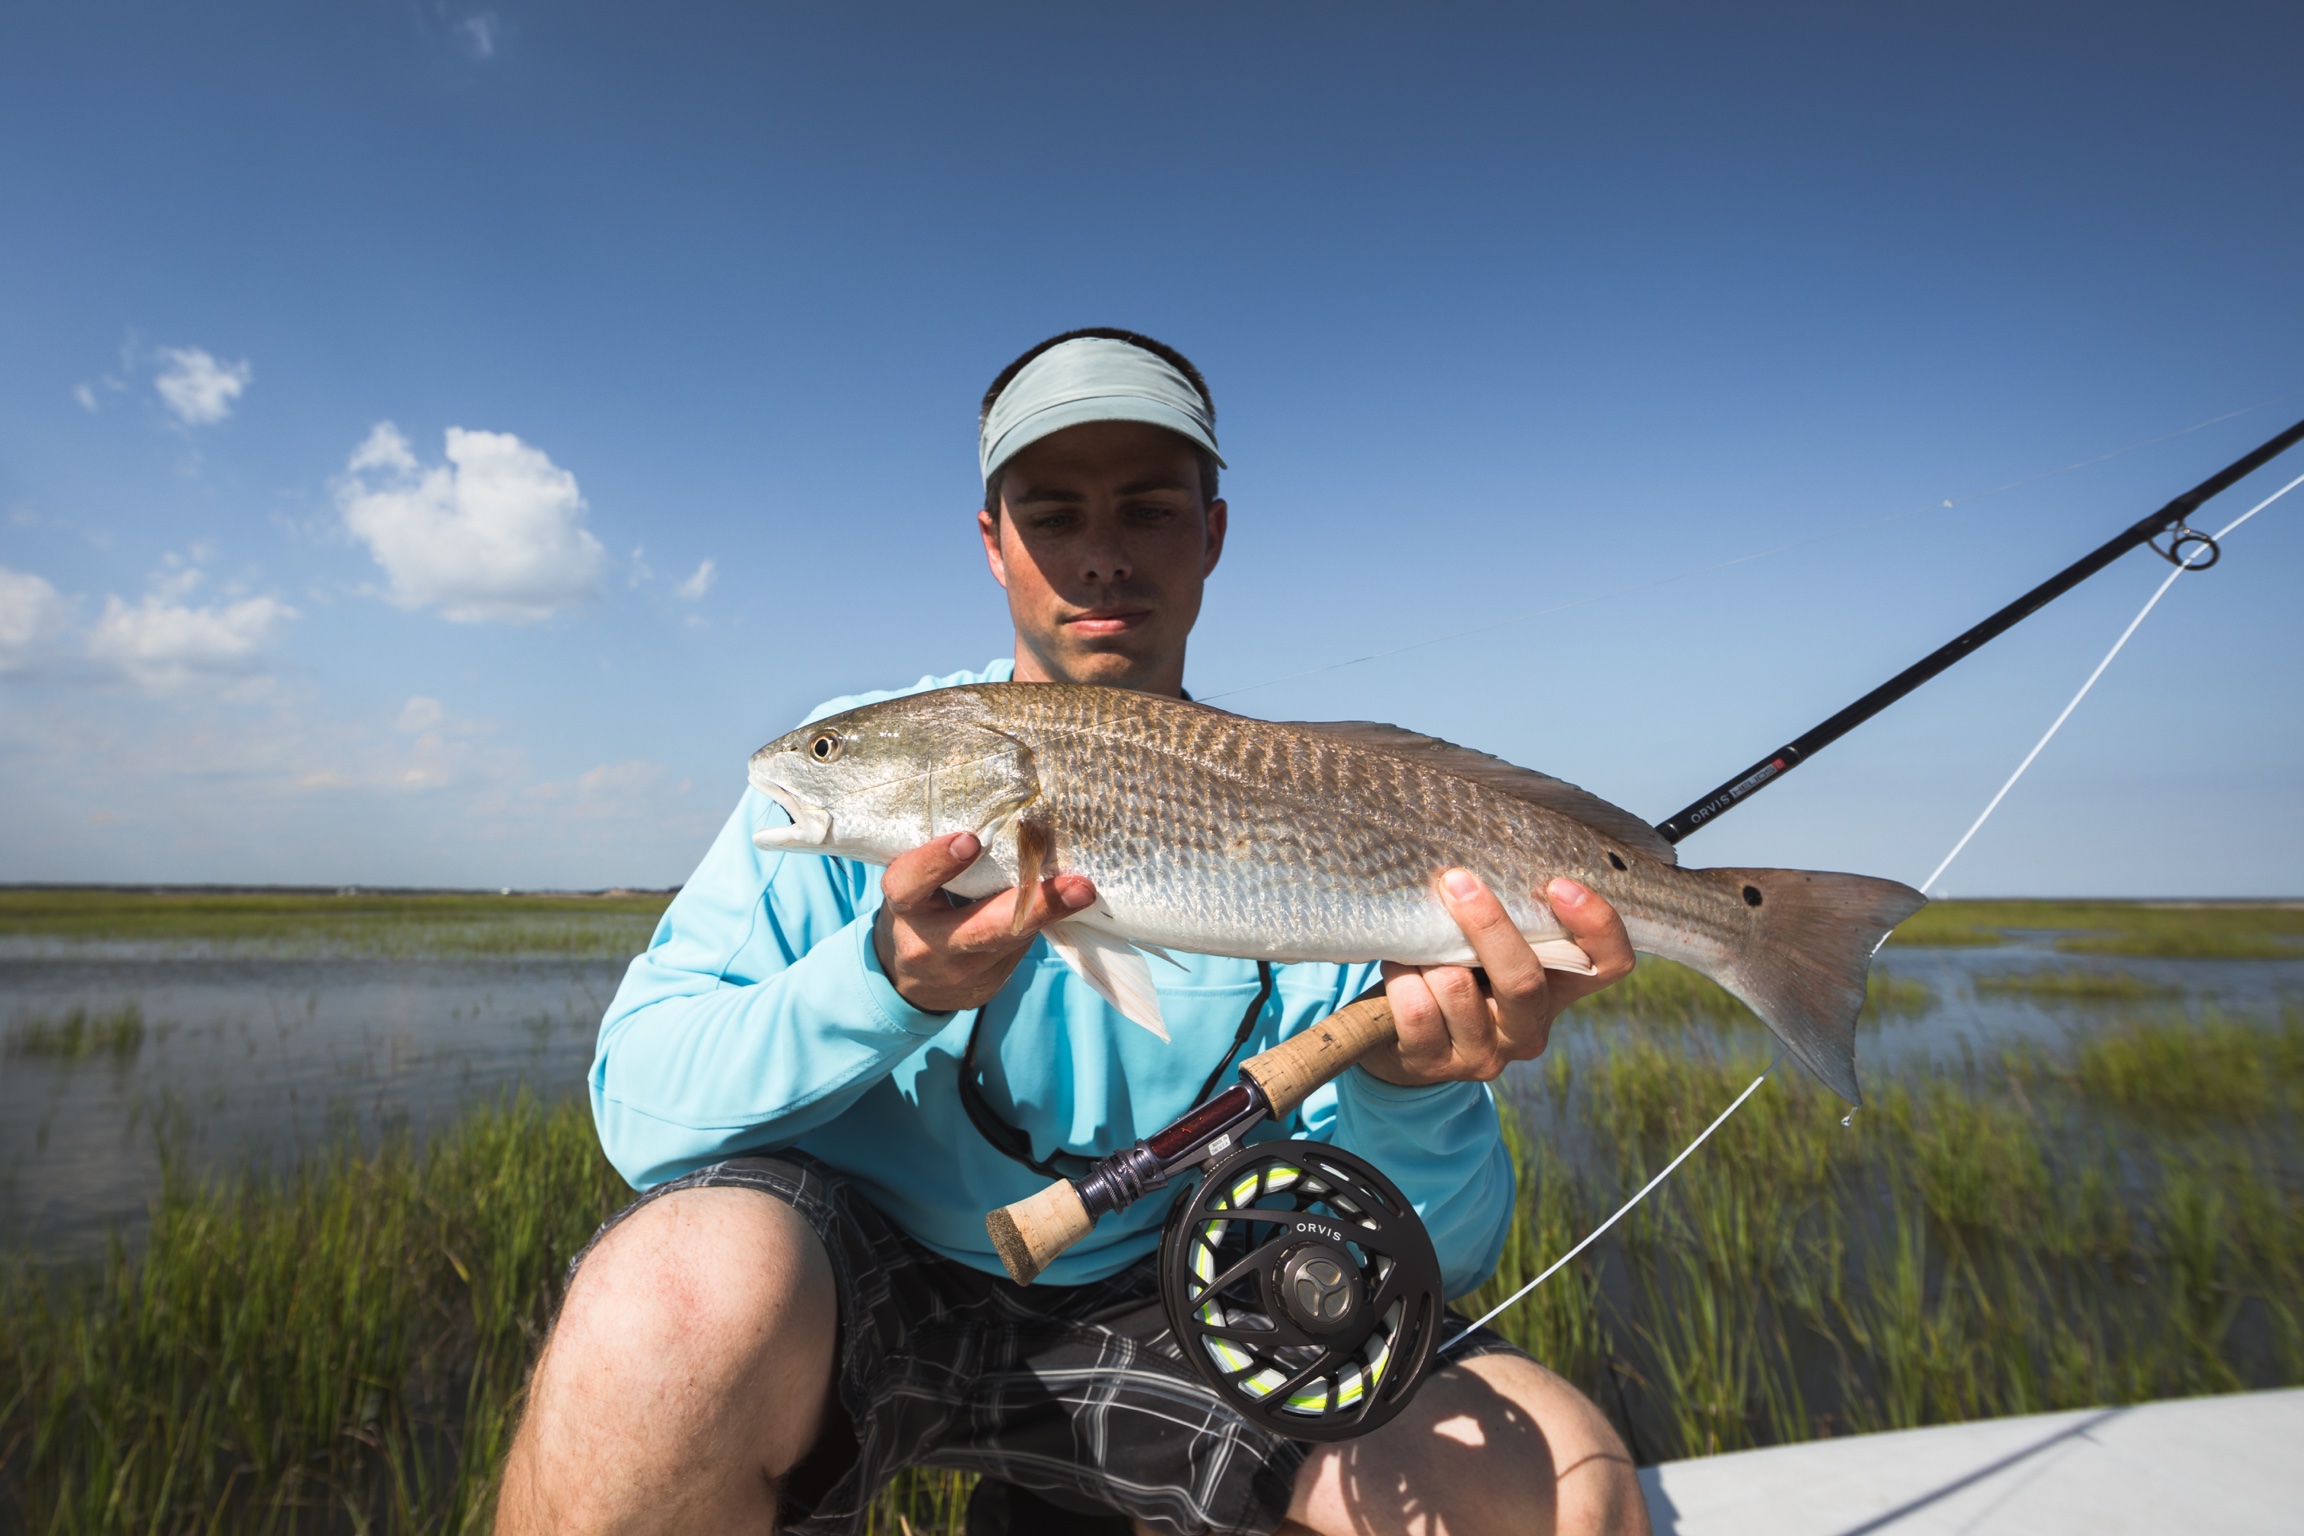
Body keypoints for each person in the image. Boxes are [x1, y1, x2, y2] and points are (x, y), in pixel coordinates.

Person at [497, 329, 1650, 1536]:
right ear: (994, 543)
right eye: (1053, 515)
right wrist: (890, 981)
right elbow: (639, 1109)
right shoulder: (836, 804)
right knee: (657, 1312)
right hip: (861, 1276)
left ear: (1211, 534)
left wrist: (1412, 1091)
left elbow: (1440, 1259)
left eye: (1149, 511)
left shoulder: (1330, 804)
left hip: (1176, 1295)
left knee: (1561, 1484)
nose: (1101, 558)